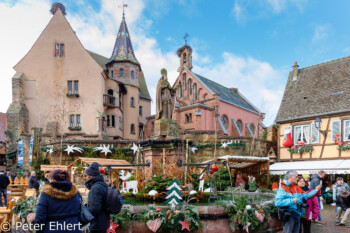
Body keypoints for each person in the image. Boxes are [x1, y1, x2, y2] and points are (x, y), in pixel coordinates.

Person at [85, 162, 109, 233]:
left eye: (86, 175)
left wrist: (86, 211)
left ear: (91, 176)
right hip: (104, 222)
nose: (86, 177)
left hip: (97, 224)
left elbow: (95, 209)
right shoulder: (104, 185)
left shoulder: (95, 188)